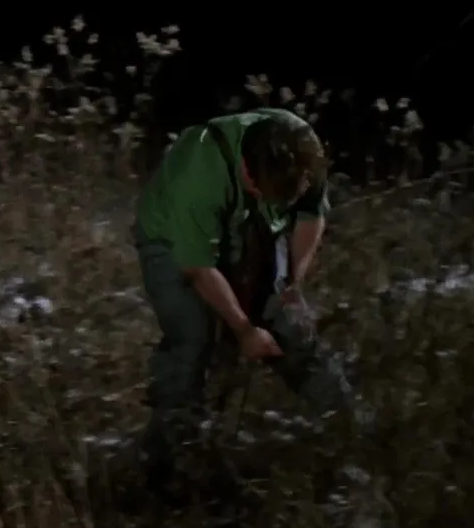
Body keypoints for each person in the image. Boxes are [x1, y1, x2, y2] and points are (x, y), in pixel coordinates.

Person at [131, 106, 353, 505]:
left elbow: (309, 216)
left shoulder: (304, 150)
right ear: (248, 173)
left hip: (253, 230)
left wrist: (291, 284)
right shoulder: (198, 174)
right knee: (194, 338)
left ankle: (352, 435)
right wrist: (244, 328)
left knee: (291, 328)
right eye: (264, 191)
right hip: (172, 240)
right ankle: (164, 464)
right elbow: (199, 267)